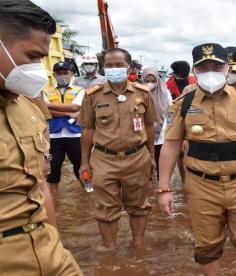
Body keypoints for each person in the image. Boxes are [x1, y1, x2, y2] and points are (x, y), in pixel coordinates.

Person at [158, 43, 236, 276]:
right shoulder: (184, 102)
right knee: (207, 246)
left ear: (227, 68)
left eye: (216, 65)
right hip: (201, 184)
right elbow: (170, 145)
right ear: (194, 70)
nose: (210, 71)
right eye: (203, 67)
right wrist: (164, 189)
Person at [0, 0, 83, 274]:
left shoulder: (27, 105)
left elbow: (40, 186)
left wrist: (57, 246)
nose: (39, 69)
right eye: (32, 57)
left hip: (50, 252)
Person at [78, 48, 158, 250]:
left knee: (139, 206)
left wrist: (151, 157)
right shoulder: (92, 96)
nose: (114, 69)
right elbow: (87, 130)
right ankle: (110, 251)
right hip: (104, 159)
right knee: (105, 209)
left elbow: (149, 126)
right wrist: (84, 162)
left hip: (138, 157)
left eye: (119, 65)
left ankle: (138, 245)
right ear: (103, 67)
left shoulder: (143, 93)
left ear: (129, 67)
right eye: (109, 65)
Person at [43, 61, 85, 191]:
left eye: (65, 73)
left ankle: (87, 193)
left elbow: (76, 106)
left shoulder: (80, 91)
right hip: (53, 135)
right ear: (54, 74)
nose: (62, 75)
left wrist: (49, 105)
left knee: (81, 166)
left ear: (72, 74)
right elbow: (45, 111)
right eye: (59, 73)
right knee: (52, 169)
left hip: (75, 134)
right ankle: (54, 198)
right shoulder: (45, 91)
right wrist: (68, 112)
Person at [142, 67, 172, 179]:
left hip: (161, 135)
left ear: (158, 81)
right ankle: (147, 185)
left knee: (161, 163)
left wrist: (169, 129)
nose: (150, 84)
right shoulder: (138, 93)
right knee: (144, 164)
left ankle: (161, 186)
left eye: (153, 81)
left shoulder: (165, 93)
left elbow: (171, 112)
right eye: (147, 81)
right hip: (143, 135)